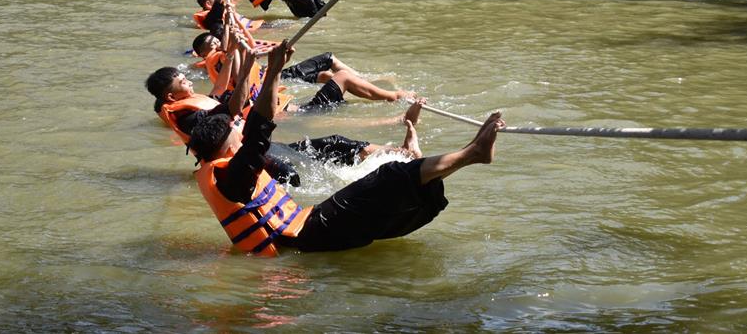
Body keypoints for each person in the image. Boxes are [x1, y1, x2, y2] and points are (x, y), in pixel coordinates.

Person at [183, 41, 505, 255]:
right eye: (234, 137)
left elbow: (253, 131)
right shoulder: (232, 176)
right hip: (307, 238)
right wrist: (276, 69)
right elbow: (257, 131)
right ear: (225, 147)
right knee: (391, 177)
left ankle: (436, 161)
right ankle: (472, 154)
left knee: (390, 190)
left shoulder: (226, 173)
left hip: (309, 230)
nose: (240, 138)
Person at [145, 57, 419, 186]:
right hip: (252, 157)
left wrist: (242, 51)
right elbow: (231, 108)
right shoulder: (187, 115)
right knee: (298, 170)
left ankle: (402, 153)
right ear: (170, 94)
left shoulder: (192, 105)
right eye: (183, 81)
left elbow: (227, 102)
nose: (189, 81)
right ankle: (397, 132)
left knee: (335, 142)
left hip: (260, 146)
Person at [192, 31, 415, 109]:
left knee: (331, 76)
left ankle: (374, 88)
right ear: (203, 53)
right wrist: (232, 45)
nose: (215, 45)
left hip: (285, 102)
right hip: (294, 109)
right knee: (342, 76)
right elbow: (238, 73)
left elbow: (242, 61)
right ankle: (394, 97)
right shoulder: (218, 60)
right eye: (210, 45)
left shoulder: (224, 62)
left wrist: (236, 35)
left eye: (216, 41)